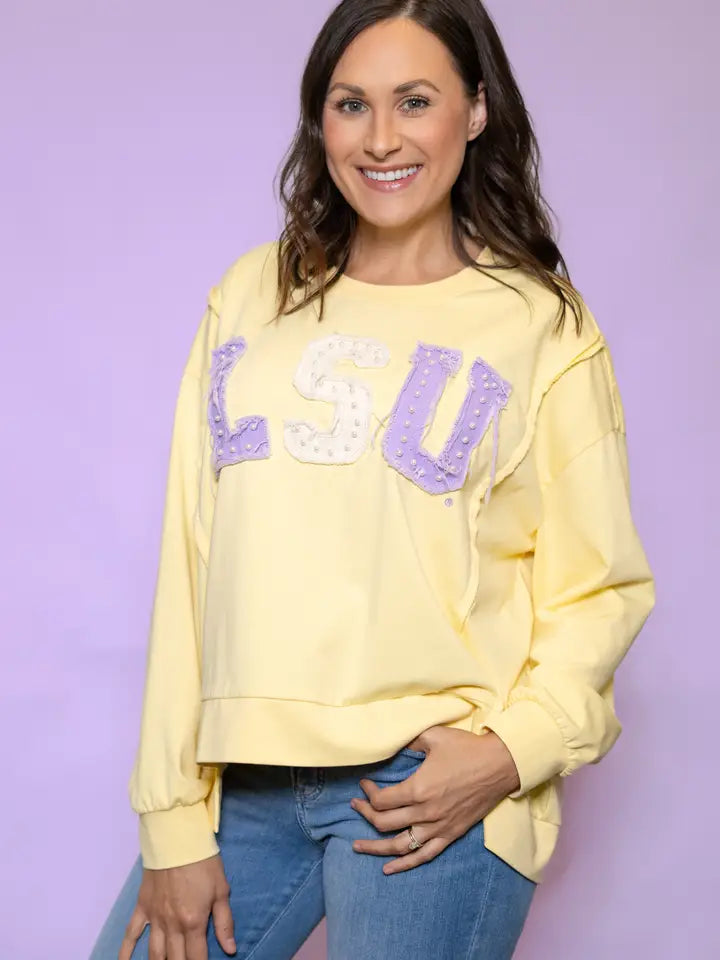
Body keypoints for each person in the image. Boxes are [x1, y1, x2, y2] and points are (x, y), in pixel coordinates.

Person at [89, 1, 656, 958]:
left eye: (415, 101)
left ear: (475, 111)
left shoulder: (542, 325)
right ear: (321, 121)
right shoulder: (252, 294)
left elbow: (597, 587)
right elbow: (192, 558)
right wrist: (171, 814)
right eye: (352, 104)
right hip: (245, 778)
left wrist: (510, 753)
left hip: (431, 784)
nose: (382, 138)